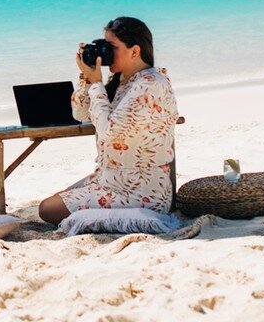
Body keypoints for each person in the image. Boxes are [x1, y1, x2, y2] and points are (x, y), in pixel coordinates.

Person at [38, 16, 179, 225]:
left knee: (47, 209)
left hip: (139, 191)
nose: (106, 54)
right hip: (111, 179)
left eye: (111, 47)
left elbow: (108, 131)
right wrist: (86, 77)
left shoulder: (150, 84)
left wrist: (97, 84)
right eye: (103, 46)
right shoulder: (124, 82)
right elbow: (80, 113)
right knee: (54, 202)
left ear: (135, 51)